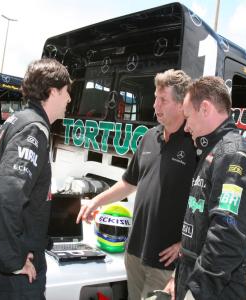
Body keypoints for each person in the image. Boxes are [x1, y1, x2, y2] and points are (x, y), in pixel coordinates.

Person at [77, 69, 197, 300]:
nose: (155, 106)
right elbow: (128, 183)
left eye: (163, 100)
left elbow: (205, 205)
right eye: (155, 98)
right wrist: (95, 201)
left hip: (165, 262)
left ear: (182, 104)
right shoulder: (149, 137)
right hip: (134, 253)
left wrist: (186, 245)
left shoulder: (195, 145)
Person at [0, 58, 71, 300]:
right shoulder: (33, 130)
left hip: (0, 261)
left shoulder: (17, 120)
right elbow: (6, 195)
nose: (69, 99)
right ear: (52, 91)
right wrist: (13, 258)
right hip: (15, 273)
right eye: (67, 92)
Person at [175, 76, 246, 299]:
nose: (186, 127)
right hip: (195, 279)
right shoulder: (211, 152)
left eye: (188, 117)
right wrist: (178, 277)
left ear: (205, 108)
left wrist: (196, 291)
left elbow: (227, 234)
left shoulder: (233, 155)